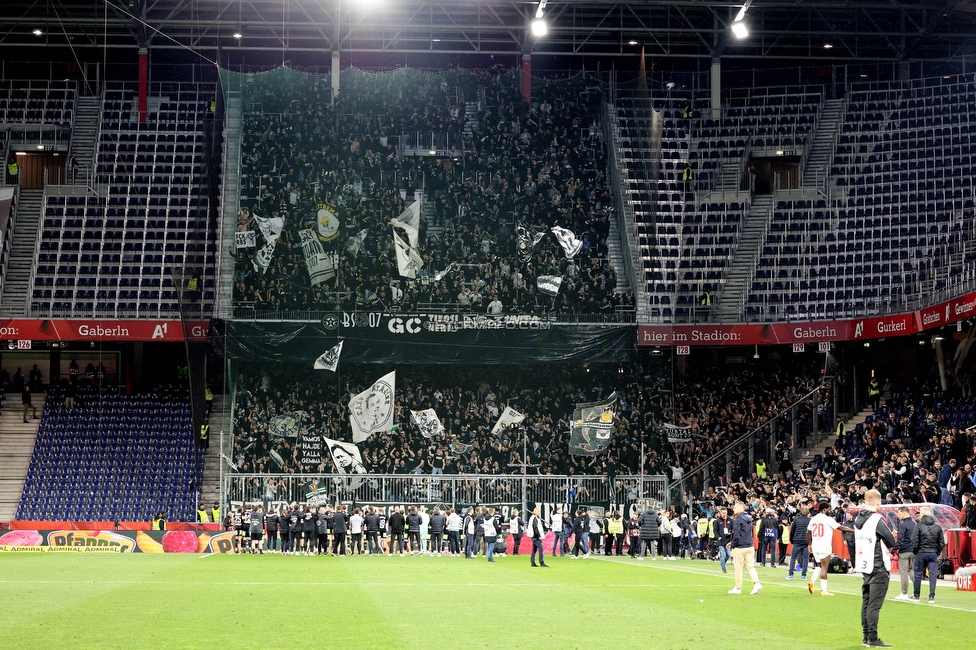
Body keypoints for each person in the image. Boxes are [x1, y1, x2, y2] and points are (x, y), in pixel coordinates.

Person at [854, 489, 895, 648]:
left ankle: (866, 636)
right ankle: (873, 638)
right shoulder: (876, 519)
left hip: (865, 564)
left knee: (866, 603)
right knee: (874, 605)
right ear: (877, 502)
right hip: (878, 565)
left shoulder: (859, 518)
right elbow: (891, 540)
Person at [807, 500, 852, 596]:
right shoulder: (828, 519)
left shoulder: (813, 518)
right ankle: (824, 591)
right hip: (824, 545)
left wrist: (809, 544)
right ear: (824, 509)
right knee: (824, 567)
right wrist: (854, 530)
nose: (829, 511)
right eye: (828, 509)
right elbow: (841, 527)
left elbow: (808, 532)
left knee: (819, 565)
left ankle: (812, 580)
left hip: (815, 545)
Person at [910, 505, 946, 603]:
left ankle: (916, 595)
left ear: (922, 515)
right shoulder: (937, 527)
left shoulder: (919, 526)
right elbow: (942, 543)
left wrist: (916, 551)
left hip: (921, 553)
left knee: (917, 575)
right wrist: (936, 552)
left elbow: (914, 540)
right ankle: (931, 596)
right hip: (933, 553)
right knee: (933, 575)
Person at [727, 501, 762, 595]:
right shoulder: (748, 517)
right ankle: (757, 583)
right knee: (750, 567)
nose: (733, 509)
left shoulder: (738, 519)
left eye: (735, 508)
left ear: (740, 508)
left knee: (738, 568)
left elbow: (737, 535)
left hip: (740, 547)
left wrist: (733, 545)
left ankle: (738, 588)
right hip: (749, 545)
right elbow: (745, 533)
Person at [893, 506, 916, 600]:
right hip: (913, 551)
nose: (898, 516)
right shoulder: (915, 524)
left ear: (904, 513)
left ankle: (904, 593)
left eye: (899, 513)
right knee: (912, 571)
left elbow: (901, 540)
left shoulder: (903, 525)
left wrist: (893, 550)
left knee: (903, 573)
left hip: (904, 551)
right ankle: (916, 591)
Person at [788, 505, 811, 580]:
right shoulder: (810, 520)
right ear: (808, 513)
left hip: (797, 540)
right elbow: (811, 532)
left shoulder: (796, 519)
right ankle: (803, 575)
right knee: (805, 558)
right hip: (806, 541)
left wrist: (791, 539)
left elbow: (792, 531)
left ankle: (791, 574)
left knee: (793, 557)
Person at [712, 506, 731, 573]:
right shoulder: (717, 521)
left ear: (727, 512)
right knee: (722, 554)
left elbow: (734, 528)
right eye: (723, 513)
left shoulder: (730, 520)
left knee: (728, 555)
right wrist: (718, 536)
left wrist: (731, 532)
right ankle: (723, 568)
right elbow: (715, 530)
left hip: (728, 540)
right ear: (720, 513)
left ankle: (722, 563)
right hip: (720, 540)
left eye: (725, 513)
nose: (724, 514)